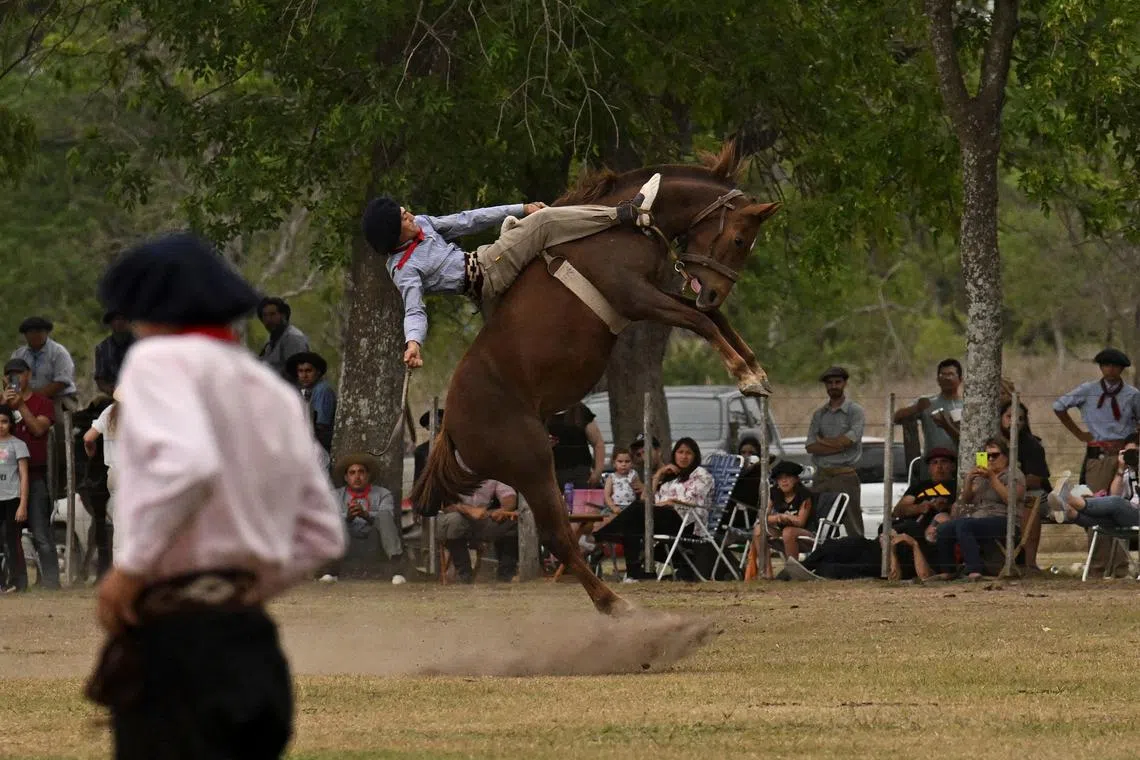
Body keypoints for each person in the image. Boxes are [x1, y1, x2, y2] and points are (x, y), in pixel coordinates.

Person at [85, 231, 345, 760]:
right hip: (253, 647)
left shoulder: (157, 363)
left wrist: (130, 571)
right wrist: (239, 590)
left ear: (149, 313)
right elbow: (321, 535)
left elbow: (189, 466)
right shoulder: (271, 391)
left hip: (176, 650)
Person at [361, 174, 661, 368]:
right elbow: (414, 310)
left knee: (525, 223)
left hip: (487, 257)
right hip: (486, 274)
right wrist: (413, 343)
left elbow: (468, 220)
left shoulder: (424, 224)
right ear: (393, 234)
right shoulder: (404, 269)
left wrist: (520, 208)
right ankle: (624, 214)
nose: (410, 216)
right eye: (403, 218)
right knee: (544, 224)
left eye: (405, 211)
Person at [782, 448, 958, 582]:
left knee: (842, 567)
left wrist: (942, 509)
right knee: (842, 544)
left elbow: (958, 510)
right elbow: (898, 510)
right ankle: (799, 569)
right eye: (934, 463)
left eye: (944, 462)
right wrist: (921, 508)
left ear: (952, 466)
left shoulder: (955, 488)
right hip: (885, 538)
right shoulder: (919, 487)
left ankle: (813, 572)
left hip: (907, 545)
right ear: (929, 467)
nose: (939, 467)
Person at [594, 437, 714, 581]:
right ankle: (634, 574)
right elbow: (646, 499)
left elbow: (691, 501)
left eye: (688, 453)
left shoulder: (701, 474)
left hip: (687, 522)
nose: (683, 456)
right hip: (666, 517)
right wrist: (658, 475)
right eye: (680, 452)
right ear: (674, 454)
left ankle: (601, 536)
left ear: (695, 456)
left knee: (637, 512)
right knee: (633, 522)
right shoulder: (673, 477)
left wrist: (668, 502)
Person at [1, 357, 57, 590]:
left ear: (28, 375)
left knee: (40, 532)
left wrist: (20, 406)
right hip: (5, 478)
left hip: (33, 474)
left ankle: (51, 583)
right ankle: (16, 581)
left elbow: (37, 429)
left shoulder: (42, 403)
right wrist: (4, 404)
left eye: (19, 373)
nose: (16, 378)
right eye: (10, 374)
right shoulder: (1, 404)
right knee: (9, 535)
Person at [934, 437, 1024, 580]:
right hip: (981, 519)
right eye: (987, 456)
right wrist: (969, 480)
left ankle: (974, 570)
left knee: (964, 525)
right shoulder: (982, 477)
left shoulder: (1014, 474)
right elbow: (966, 500)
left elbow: (1010, 500)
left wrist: (993, 478)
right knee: (944, 528)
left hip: (1005, 520)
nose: (991, 459)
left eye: (995, 455)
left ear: (1006, 457)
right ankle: (948, 570)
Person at [1053, 348, 1140, 493]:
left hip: (1125, 453)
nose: (1111, 369)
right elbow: (1059, 406)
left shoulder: (1132, 394)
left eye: (1115, 366)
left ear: (1122, 369)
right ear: (1101, 367)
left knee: (1128, 497)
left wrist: (1134, 442)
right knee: (1096, 498)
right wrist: (1079, 434)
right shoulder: (1088, 390)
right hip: (1099, 454)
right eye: (1106, 365)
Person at [327, 453, 406, 583]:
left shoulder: (383, 494)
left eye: (361, 472)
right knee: (335, 519)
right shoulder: (335, 495)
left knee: (384, 515)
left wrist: (366, 515)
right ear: (346, 477)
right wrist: (348, 517)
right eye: (352, 473)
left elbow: (388, 517)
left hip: (374, 543)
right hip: (348, 543)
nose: (357, 477)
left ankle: (397, 571)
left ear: (368, 475)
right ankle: (331, 571)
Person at [806, 366, 866, 537]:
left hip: (845, 475)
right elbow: (810, 446)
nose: (833, 386)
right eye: (829, 383)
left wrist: (823, 441)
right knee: (819, 524)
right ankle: (821, 560)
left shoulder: (855, 411)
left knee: (853, 523)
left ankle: (860, 560)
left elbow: (848, 441)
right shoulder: (819, 414)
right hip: (822, 475)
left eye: (837, 382)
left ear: (845, 383)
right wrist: (838, 444)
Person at [1045, 434, 1139, 530]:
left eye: (1136, 453)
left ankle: (1070, 499)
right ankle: (1069, 512)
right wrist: (1120, 470)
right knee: (1102, 516)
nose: (1133, 457)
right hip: (1128, 517)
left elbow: (1117, 501)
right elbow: (1115, 494)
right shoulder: (1128, 473)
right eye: (1129, 453)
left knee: (1117, 503)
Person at [436, 479, 520, 583]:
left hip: (482, 519)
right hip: (453, 518)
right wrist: (469, 510)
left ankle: (506, 574)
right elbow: (445, 505)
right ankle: (464, 574)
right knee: (454, 521)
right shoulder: (454, 470)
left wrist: (503, 510)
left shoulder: (491, 473)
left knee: (513, 523)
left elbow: (509, 495)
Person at [893, 358, 963, 458]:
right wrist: (916, 408)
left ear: (960, 379)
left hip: (959, 462)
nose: (947, 378)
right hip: (931, 464)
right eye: (943, 375)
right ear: (937, 380)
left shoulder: (967, 406)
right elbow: (896, 418)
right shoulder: (927, 402)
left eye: (951, 374)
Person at [11, 316, 78, 414]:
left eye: (39, 331)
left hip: (59, 398)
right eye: (31, 332)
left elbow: (61, 383)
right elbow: (13, 380)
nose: (35, 335)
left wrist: (34, 398)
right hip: (25, 399)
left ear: (46, 333)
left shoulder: (59, 352)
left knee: (58, 418)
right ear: (25, 335)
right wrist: (17, 395)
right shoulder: (18, 355)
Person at [753, 460, 814, 560]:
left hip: (806, 533)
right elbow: (763, 517)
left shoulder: (804, 495)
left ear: (796, 479)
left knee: (788, 531)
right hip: (782, 531)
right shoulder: (774, 493)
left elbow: (801, 522)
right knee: (759, 529)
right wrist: (778, 517)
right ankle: (766, 573)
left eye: (788, 477)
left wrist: (786, 517)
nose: (784, 481)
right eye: (780, 478)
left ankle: (793, 568)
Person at [0, 406, 30, 593]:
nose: (1, 425)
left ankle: (17, 581)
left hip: (12, 499)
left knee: (12, 540)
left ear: (11, 424)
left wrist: (23, 504)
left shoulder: (18, 445)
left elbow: (24, 476)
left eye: (4, 421)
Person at [547, 402, 606, 488]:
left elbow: (598, 443)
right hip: (553, 474)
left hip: (581, 473)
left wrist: (598, 471)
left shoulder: (580, 410)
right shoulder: (543, 411)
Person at [286, 351, 336, 452]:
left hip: (320, 448)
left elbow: (322, 428)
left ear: (317, 372)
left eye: (308, 371)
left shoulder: (322, 390)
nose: (304, 375)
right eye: (300, 371)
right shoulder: (304, 392)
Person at [257, 296, 311, 378]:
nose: (268, 319)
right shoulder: (271, 341)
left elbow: (296, 374)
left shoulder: (293, 338)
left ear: (283, 315)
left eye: (272, 314)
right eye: (265, 316)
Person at [93, 311, 136, 395]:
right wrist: (112, 391)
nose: (119, 322)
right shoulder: (102, 348)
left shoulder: (142, 345)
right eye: (116, 319)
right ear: (110, 323)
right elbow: (100, 379)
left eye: (123, 319)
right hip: (114, 394)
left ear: (129, 322)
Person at [603, 447, 642, 514]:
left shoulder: (634, 474)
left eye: (627, 461)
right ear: (614, 463)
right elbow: (607, 495)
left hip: (632, 507)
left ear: (632, 463)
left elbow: (639, 489)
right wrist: (613, 508)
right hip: (616, 506)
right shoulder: (612, 477)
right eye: (620, 461)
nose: (624, 464)